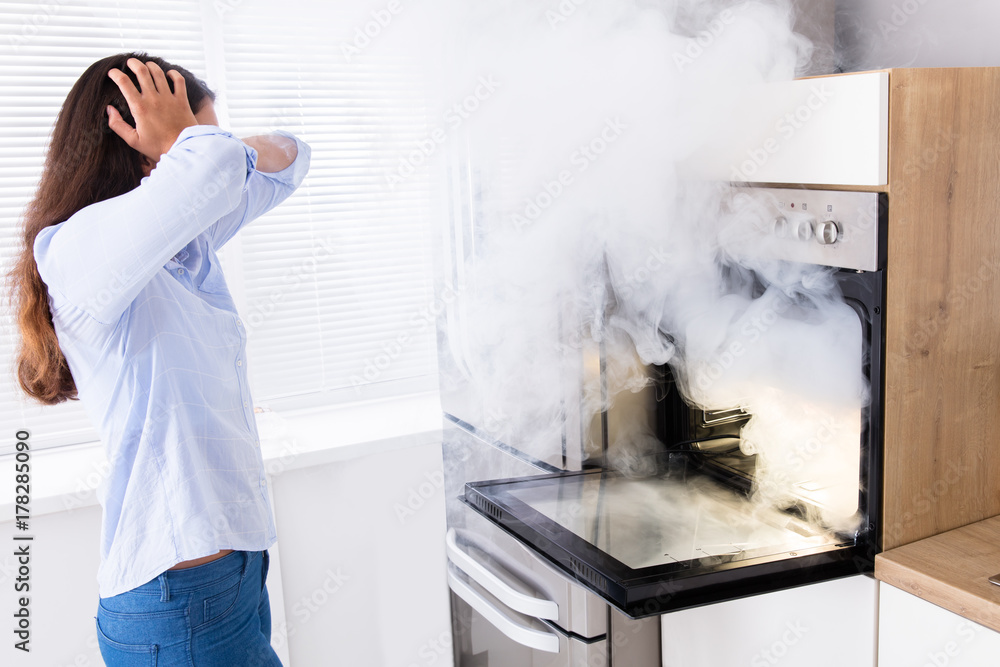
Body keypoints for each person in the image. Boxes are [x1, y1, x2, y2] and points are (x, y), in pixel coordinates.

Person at [7, 51, 310, 665]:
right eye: (197, 136)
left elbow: (290, 157)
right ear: (149, 151)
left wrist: (201, 142)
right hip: (178, 599)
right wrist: (196, 148)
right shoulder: (76, 251)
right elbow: (217, 169)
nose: (215, 147)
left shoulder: (183, 245)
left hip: (229, 576)